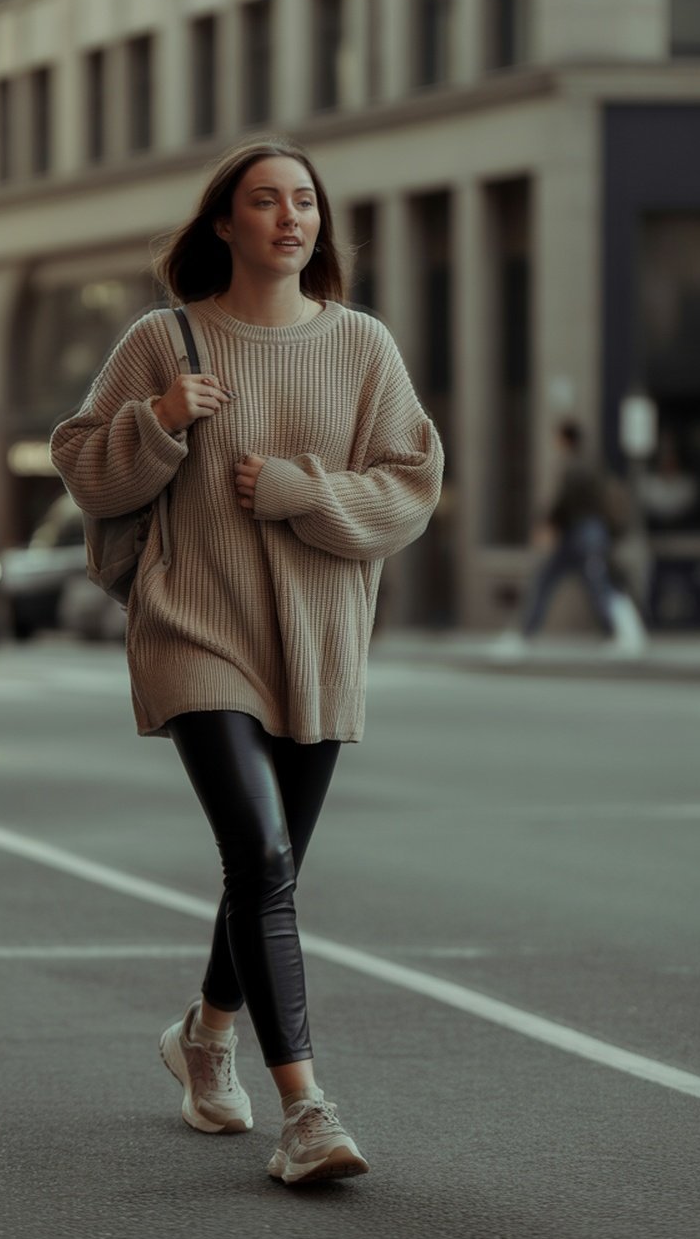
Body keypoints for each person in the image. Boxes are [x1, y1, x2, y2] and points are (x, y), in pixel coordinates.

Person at [50, 138, 443, 1185]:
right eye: (263, 201)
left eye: (303, 201)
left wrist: (304, 494)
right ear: (222, 223)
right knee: (263, 861)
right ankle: (306, 1110)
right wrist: (161, 421)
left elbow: (412, 482)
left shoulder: (360, 346)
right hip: (196, 630)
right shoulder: (163, 339)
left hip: (314, 641)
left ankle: (204, 1034)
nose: (289, 218)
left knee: (268, 870)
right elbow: (84, 468)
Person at [518, 418, 621, 641]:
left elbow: (564, 502)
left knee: (588, 582)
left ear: (565, 439)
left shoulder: (574, 466)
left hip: (583, 532)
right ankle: (614, 633)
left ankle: (616, 632)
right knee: (590, 582)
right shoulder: (589, 464)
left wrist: (548, 524)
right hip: (584, 533)